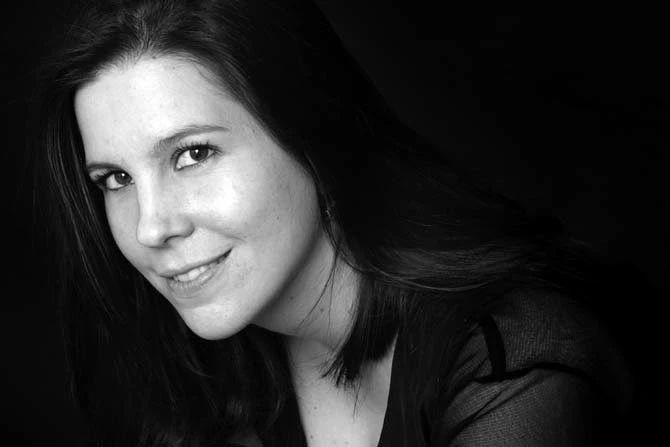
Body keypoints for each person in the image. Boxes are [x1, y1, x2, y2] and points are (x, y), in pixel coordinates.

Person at [35, 0, 633, 445]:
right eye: (116, 179)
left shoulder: (519, 358)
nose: (150, 227)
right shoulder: (202, 373)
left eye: (193, 154)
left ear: (310, 133)